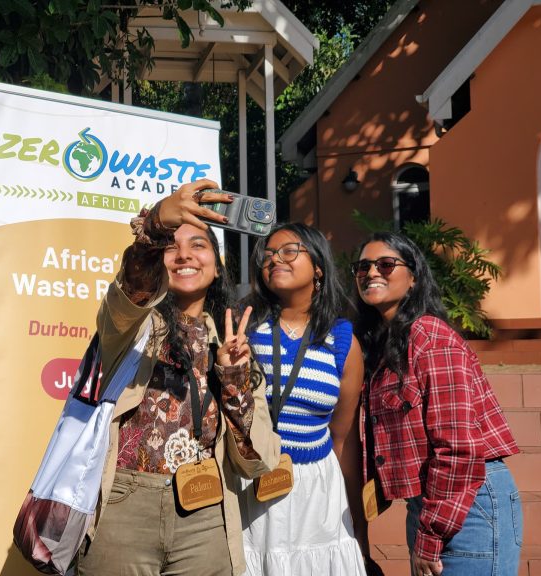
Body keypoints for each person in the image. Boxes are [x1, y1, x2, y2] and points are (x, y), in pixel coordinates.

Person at [74, 180, 281, 576]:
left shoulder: (232, 340)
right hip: (124, 503)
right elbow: (128, 295)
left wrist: (234, 378)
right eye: (172, 246)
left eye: (199, 245)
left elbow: (257, 462)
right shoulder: (133, 324)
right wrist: (154, 228)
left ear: (217, 265)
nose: (184, 254)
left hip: (205, 514)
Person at [352, 231, 522, 576]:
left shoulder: (430, 337)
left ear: (413, 278)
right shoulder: (387, 344)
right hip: (432, 503)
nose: (372, 272)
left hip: (467, 501)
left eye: (386, 264)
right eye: (363, 266)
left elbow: (458, 447)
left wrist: (430, 535)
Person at [237, 223, 372, 576]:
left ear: (318, 268)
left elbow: (342, 439)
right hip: (251, 483)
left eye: (288, 251)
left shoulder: (342, 340)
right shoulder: (245, 329)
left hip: (317, 492)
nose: (274, 260)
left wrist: (357, 520)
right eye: (267, 255)